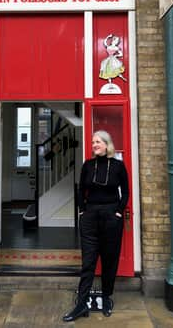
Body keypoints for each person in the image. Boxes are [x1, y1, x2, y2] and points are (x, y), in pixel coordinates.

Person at [63, 130, 129, 322]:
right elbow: (80, 190)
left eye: (98, 142)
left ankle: (106, 297)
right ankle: (81, 304)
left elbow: (125, 191)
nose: (94, 145)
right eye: (93, 142)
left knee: (110, 260)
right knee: (88, 262)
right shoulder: (88, 165)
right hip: (90, 216)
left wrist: (118, 212)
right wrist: (83, 211)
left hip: (111, 217)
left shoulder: (117, 166)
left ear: (107, 145)